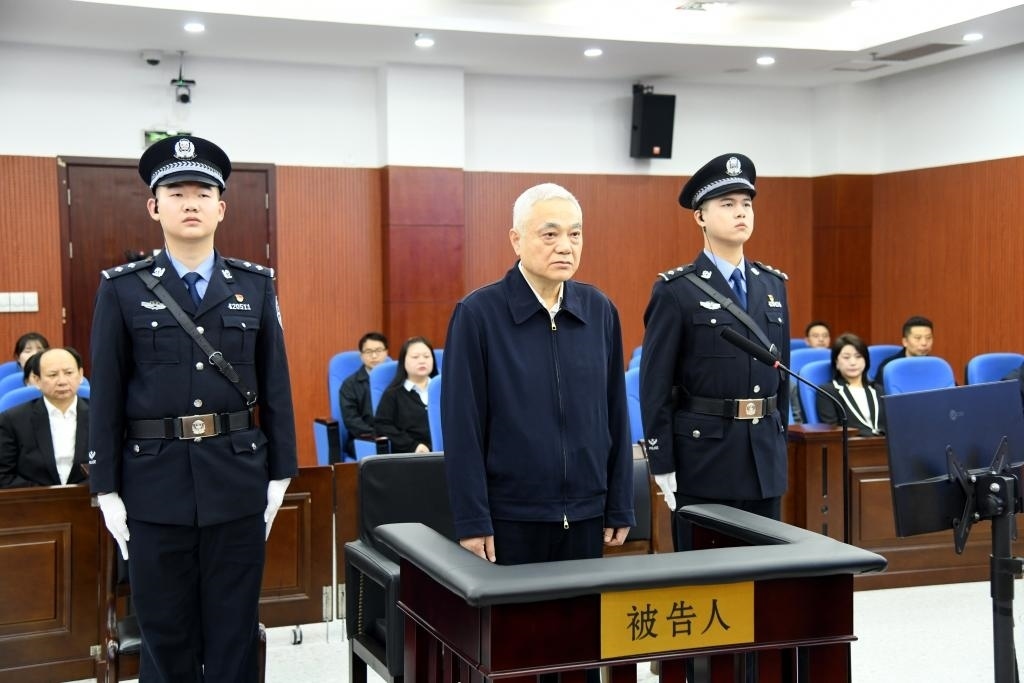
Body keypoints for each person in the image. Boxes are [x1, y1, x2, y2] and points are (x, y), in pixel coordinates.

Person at [88, 135, 297, 682]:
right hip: (153, 486)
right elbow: (105, 394)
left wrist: (280, 476)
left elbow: (276, 386)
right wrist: (105, 488)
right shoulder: (121, 290)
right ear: (153, 207)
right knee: (165, 633)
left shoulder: (254, 286)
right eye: (176, 193)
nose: (190, 204)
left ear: (221, 209)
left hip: (236, 480)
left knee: (234, 630)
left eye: (203, 193)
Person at [442, 182, 634, 568]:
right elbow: (462, 427)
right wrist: (472, 519)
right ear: (516, 240)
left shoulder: (599, 310)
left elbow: (615, 412)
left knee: (581, 609)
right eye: (550, 234)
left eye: (575, 234)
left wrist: (619, 503)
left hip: (587, 514)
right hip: (510, 517)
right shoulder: (478, 314)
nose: (565, 246)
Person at [640, 152, 790, 550]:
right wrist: (662, 461)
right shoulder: (676, 291)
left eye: (747, 204)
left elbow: (781, 377)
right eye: (727, 204)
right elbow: (655, 387)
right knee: (708, 575)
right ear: (700, 217)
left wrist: (779, 444)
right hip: (705, 460)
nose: (741, 213)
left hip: (763, 460)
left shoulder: (773, 285)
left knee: (766, 573)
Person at [0, 347, 89, 488]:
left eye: (69, 373)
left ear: (80, 374)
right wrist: (46, 494)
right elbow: (3, 475)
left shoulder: (101, 416)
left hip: (91, 497)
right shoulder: (12, 420)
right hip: (34, 498)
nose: (62, 381)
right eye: (53, 375)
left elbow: (114, 466)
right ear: (37, 380)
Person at [374, 336, 437, 454]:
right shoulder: (393, 394)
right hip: (411, 456)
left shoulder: (443, 390)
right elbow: (382, 425)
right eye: (415, 357)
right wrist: (413, 445)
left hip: (446, 453)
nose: (422, 361)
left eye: (427, 356)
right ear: (403, 361)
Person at [815, 333, 886, 436]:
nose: (853, 362)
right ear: (836, 362)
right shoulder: (827, 392)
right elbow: (832, 431)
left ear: (866, 360)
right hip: (851, 444)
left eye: (858, 356)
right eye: (846, 357)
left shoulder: (878, 390)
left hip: (884, 443)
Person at [339, 331, 388, 457]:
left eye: (378, 350)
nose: (374, 356)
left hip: (395, 437)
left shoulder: (396, 379)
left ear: (386, 352)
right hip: (364, 438)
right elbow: (351, 420)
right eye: (368, 351)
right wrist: (378, 435)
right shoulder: (350, 385)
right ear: (361, 356)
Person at [874, 315, 934, 391]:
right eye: (917, 338)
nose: (924, 343)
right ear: (905, 341)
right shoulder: (889, 367)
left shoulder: (936, 366)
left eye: (928, 338)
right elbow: (879, 394)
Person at [790, 320, 831, 423]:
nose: (821, 339)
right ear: (807, 341)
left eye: (825, 336)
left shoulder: (838, 359)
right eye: (816, 336)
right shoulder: (796, 359)